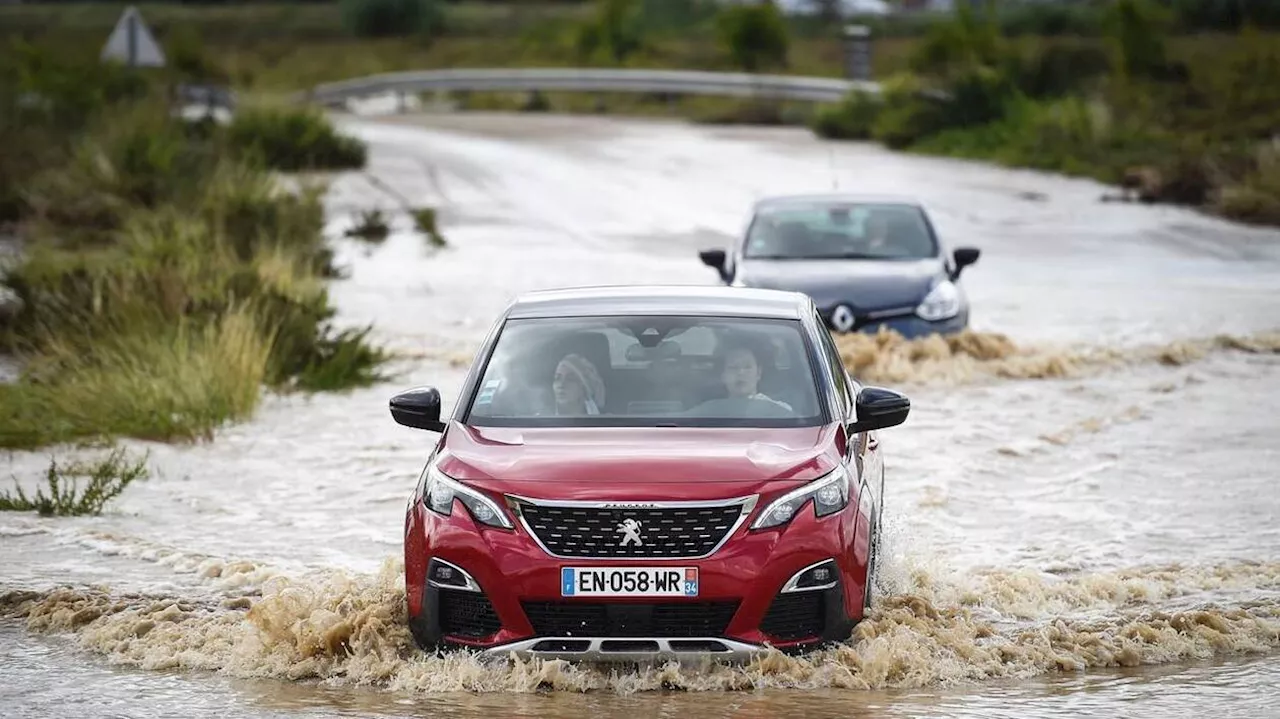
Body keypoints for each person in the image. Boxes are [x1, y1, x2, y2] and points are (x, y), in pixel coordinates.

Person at [686, 340, 792, 418]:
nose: (741, 373)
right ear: (723, 375)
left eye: (747, 367)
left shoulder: (781, 412)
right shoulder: (706, 411)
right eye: (733, 367)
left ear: (758, 373)